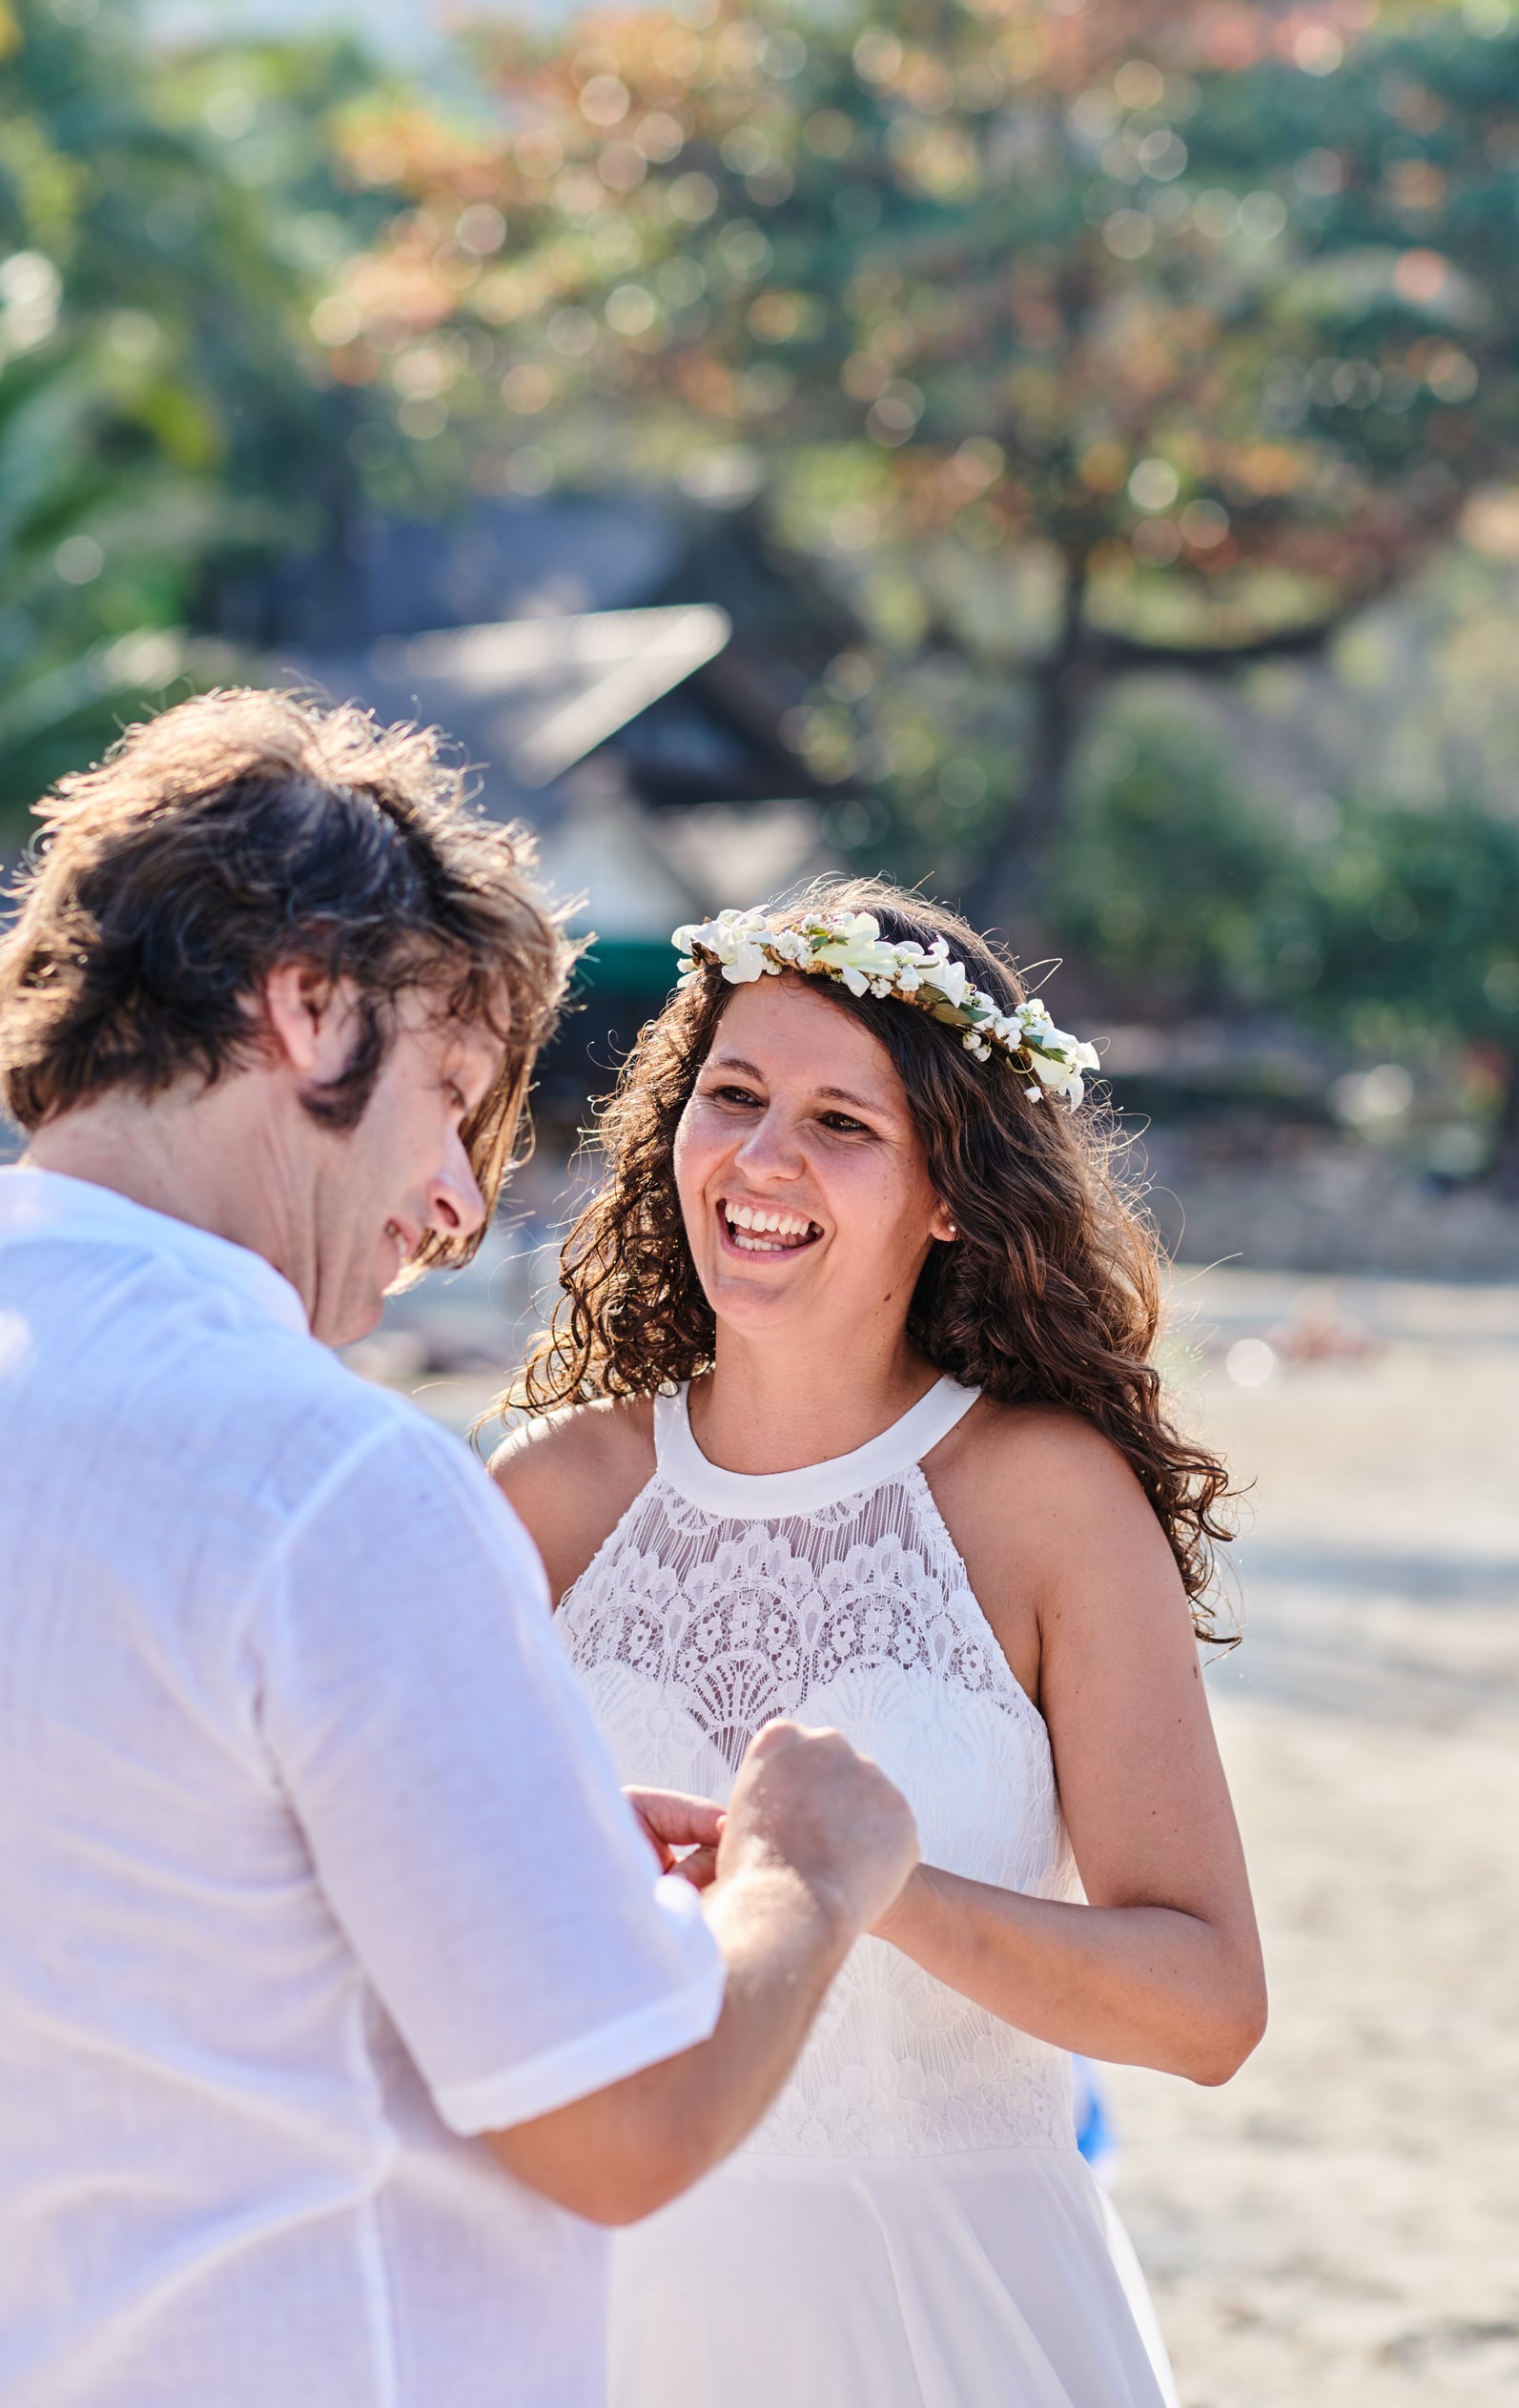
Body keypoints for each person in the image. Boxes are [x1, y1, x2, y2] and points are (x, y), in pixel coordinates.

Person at [0, 695, 919, 2408]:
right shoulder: (326, 1481)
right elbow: (627, 2125)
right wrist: (809, 1873)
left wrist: (533, 1847)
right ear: (309, 1003)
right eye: (453, 1096)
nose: (450, 1203)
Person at [495, 887, 1268, 2408]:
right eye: (734, 1095)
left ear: (953, 1193)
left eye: (843, 1124)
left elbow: (1207, 2006)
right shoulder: (544, 1497)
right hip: (588, 2316)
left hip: (949, 2317)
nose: (764, 1160)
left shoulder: (1044, 1501)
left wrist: (881, 1890)